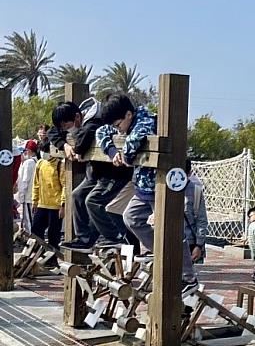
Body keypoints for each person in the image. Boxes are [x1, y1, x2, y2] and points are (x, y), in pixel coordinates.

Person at [97, 93, 196, 288]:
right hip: (143, 188)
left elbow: (136, 139)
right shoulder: (124, 122)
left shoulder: (145, 121)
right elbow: (101, 131)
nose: (118, 130)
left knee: (172, 231)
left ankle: (187, 276)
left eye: (118, 125)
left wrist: (124, 155)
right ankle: (160, 253)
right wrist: (111, 151)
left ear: (128, 115)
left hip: (161, 187)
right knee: (131, 218)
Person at [50, 99, 134, 249]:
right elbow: (52, 132)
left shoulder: (95, 121)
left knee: (93, 201)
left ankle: (115, 237)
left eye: (67, 126)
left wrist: (75, 148)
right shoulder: (78, 120)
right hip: (96, 174)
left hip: (115, 173)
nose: (67, 131)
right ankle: (84, 238)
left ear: (77, 117)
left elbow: (85, 139)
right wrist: (64, 145)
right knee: (77, 195)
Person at [30, 140, 65, 249]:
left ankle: (53, 258)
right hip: (41, 204)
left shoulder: (60, 164)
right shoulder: (40, 163)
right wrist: (34, 200)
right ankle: (38, 254)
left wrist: (63, 205)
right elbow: (36, 183)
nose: (43, 153)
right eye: (42, 151)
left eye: (45, 151)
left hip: (55, 206)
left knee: (53, 234)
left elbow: (65, 185)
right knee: (35, 230)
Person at [184, 159, 209, 278]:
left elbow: (202, 220)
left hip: (189, 242)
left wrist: (199, 245)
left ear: (189, 173)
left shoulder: (195, 191)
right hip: (169, 241)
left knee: (187, 278)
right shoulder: (164, 188)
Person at [15, 140, 38, 234]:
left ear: (28, 150)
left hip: (28, 197)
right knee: (31, 220)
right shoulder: (38, 161)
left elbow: (24, 181)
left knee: (28, 222)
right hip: (33, 196)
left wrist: (21, 196)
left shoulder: (28, 163)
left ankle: (32, 240)